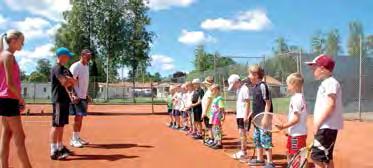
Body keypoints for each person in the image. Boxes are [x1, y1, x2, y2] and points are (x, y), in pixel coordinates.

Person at [0, 30, 32, 168]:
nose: (23, 44)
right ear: (13, 40)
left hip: (3, 99)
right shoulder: (8, 56)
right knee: (20, 137)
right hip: (9, 99)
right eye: (22, 41)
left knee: (6, 134)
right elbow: (10, 83)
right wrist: (21, 99)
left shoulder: (3, 55)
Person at [305, 54, 343, 168]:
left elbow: (331, 105)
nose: (313, 70)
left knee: (317, 158)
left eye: (314, 68)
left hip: (326, 127)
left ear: (322, 68)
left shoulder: (330, 83)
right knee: (327, 157)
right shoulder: (328, 82)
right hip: (327, 127)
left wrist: (318, 124)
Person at [50, 47, 77, 160]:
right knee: (56, 125)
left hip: (65, 100)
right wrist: (69, 80)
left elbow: (73, 83)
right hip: (58, 100)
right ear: (61, 56)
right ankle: (53, 150)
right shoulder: (56, 68)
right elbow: (65, 82)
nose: (68, 58)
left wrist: (73, 93)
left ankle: (60, 147)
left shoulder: (65, 69)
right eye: (67, 56)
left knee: (61, 125)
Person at [275, 73, 308, 162]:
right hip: (295, 133)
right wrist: (289, 130)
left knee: (298, 156)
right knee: (289, 153)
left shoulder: (297, 99)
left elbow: (296, 119)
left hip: (297, 134)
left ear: (294, 85)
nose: (287, 86)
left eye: (288, 84)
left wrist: (283, 126)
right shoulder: (298, 97)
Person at [247, 64, 275, 168]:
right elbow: (256, 104)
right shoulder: (254, 87)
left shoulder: (263, 86)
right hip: (256, 119)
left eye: (250, 74)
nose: (249, 76)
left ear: (255, 75)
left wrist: (265, 117)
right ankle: (260, 159)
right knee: (257, 139)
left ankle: (270, 162)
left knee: (265, 139)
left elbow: (268, 103)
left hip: (264, 119)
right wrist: (251, 113)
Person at [69, 49, 91, 148]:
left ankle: (77, 137)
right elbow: (70, 81)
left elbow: (85, 82)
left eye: (90, 55)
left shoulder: (86, 67)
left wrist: (87, 94)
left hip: (83, 96)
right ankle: (73, 139)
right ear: (82, 55)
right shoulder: (76, 66)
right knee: (77, 118)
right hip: (77, 96)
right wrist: (73, 94)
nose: (89, 57)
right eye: (87, 55)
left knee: (81, 118)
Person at [227, 74, 251, 160]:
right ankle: (242, 151)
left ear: (237, 82)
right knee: (241, 134)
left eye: (233, 85)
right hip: (239, 115)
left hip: (243, 116)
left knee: (243, 134)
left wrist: (246, 116)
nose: (233, 87)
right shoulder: (239, 89)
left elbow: (248, 102)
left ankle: (244, 152)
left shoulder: (244, 89)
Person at [209, 84, 225, 149]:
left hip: (217, 116)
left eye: (213, 90)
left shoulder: (219, 98)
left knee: (217, 129)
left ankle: (219, 143)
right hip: (213, 115)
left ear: (217, 90)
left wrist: (222, 115)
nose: (212, 92)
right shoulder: (214, 98)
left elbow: (221, 108)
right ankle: (216, 141)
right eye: (211, 90)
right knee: (214, 129)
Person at [201, 76, 214, 145]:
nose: (205, 85)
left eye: (206, 83)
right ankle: (210, 138)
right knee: (208, 126)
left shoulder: (210, 91)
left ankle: (212, 139)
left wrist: (204, 112)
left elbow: (208, 102)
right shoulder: (208, 91)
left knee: (209, 126)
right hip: (208, 112)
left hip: (208, 112)